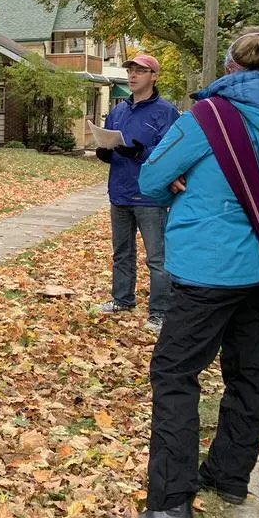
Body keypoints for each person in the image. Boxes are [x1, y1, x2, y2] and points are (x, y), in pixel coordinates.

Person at [137, 28, 259, 518]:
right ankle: (229, 476)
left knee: (174, 375)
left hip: (207, 267)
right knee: (251, 370)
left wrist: (179, 179)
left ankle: (171, 504)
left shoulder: (207, 119)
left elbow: (149, 180)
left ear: (230, 67)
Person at [95, 54, 180, 334]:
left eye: (140, 71)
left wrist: (140, 152)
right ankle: (122, 300)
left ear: (154, 76)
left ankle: (160, 312)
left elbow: (172, 153)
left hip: (150, 195)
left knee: (157, 258)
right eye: (130, 70)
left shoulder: (166, 111)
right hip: (120, 191)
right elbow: (111, 145)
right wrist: (104, 152)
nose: (132, 75)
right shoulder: (118, 111)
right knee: (121, 252)